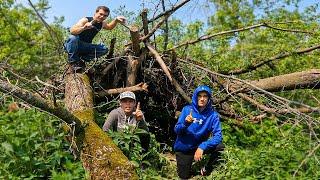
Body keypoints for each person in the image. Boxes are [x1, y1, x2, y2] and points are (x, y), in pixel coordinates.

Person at [174, 85, 224, 179]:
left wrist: (202, 146)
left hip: (199, 147)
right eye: (199, 96)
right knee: (184, 176)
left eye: (205, 96)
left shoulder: (213, 115)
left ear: (208, 99)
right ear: (195, 97)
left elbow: (218, 136)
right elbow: (177, 130)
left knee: (220, 147)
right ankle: (189, 165)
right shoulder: (187, 110)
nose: (202, 99)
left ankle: (206, 169)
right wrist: (185, 123)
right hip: (184, 149)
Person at [64, 6, 126, 70]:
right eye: (100, 14)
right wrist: (84, 28)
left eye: (105, 16)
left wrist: (116, 20)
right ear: (95, 13)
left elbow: (109, 27)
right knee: (73, 38)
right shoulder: (86, 20)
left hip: (86, 46)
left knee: (104, 49)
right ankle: (73, 62)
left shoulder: (102, 23)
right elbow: (72, 31)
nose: (102, 17)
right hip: (74, 45)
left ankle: (81, 60)